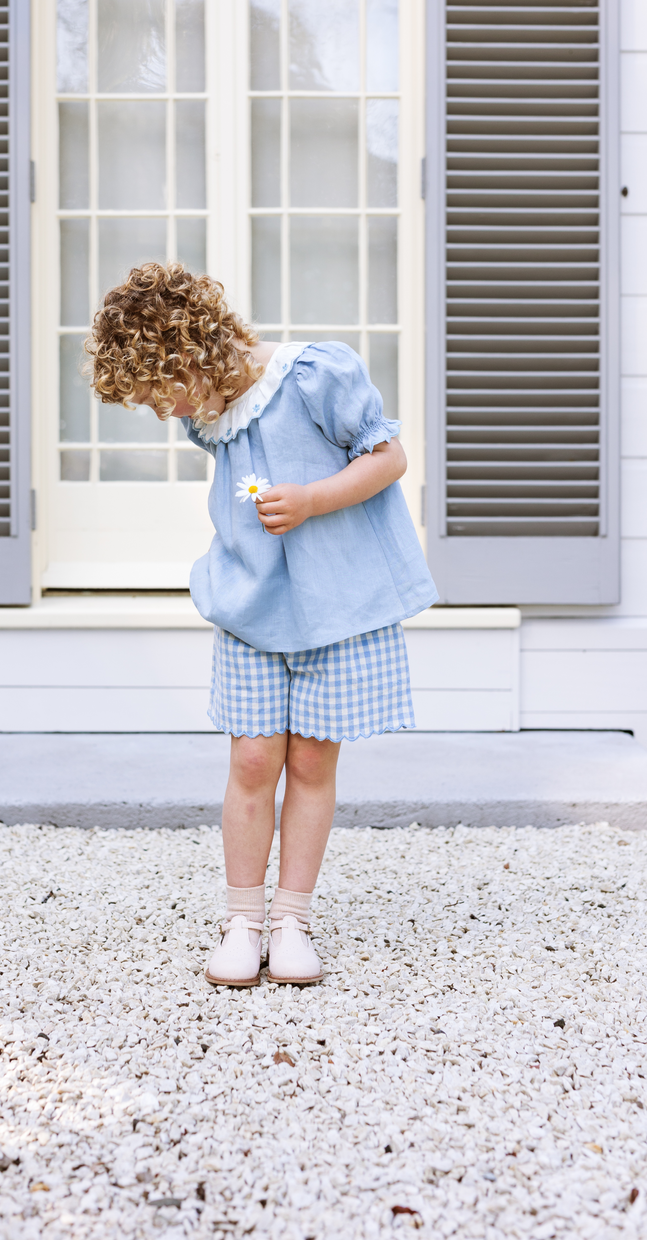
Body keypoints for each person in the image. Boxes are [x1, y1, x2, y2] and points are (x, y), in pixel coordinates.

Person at [86, 263, 438, 987]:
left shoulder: (315, 374)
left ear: (191, 353)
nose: (163, 414)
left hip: (333, 607)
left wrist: (311, 498)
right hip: (253, 604)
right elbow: (247, 475)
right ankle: (243, 920)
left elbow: (389, 457)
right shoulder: (207, 410)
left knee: (311, 761)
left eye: (161, 394)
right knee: (252, 761)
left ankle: (292, 920)